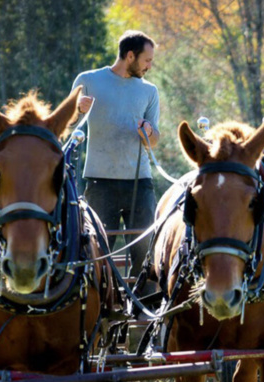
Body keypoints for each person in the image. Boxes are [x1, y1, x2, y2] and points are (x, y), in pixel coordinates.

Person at [71, 30, 160, 278]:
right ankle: (102, 311)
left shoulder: (149, 91)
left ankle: (147, 311)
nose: (149, 66)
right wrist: (77, 108)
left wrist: (149, 132)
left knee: (145, 253)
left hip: (139, 185)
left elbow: (154, 141)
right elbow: (66, 124)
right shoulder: (87, 80)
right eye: (147, 60)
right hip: (100, 184)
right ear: (130, 56)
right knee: (97, 254)